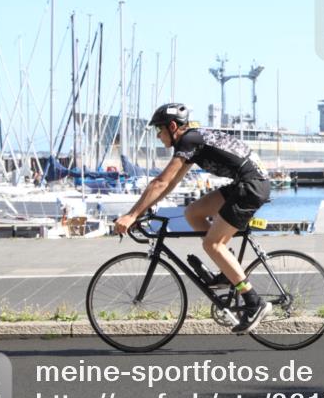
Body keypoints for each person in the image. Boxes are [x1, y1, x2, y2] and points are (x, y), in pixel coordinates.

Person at [114, 103, 273, 334]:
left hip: (250, 187)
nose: (158, 136)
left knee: (212, 244)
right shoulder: (191, 142)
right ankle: (227, 271)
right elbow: (170, 184)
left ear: (172, 126)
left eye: (159, 130)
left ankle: (253, 301)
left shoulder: (189, 141)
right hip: (246, 183)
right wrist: (146, 208)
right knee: (193, 213)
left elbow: (160, 182)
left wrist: (131, 215)